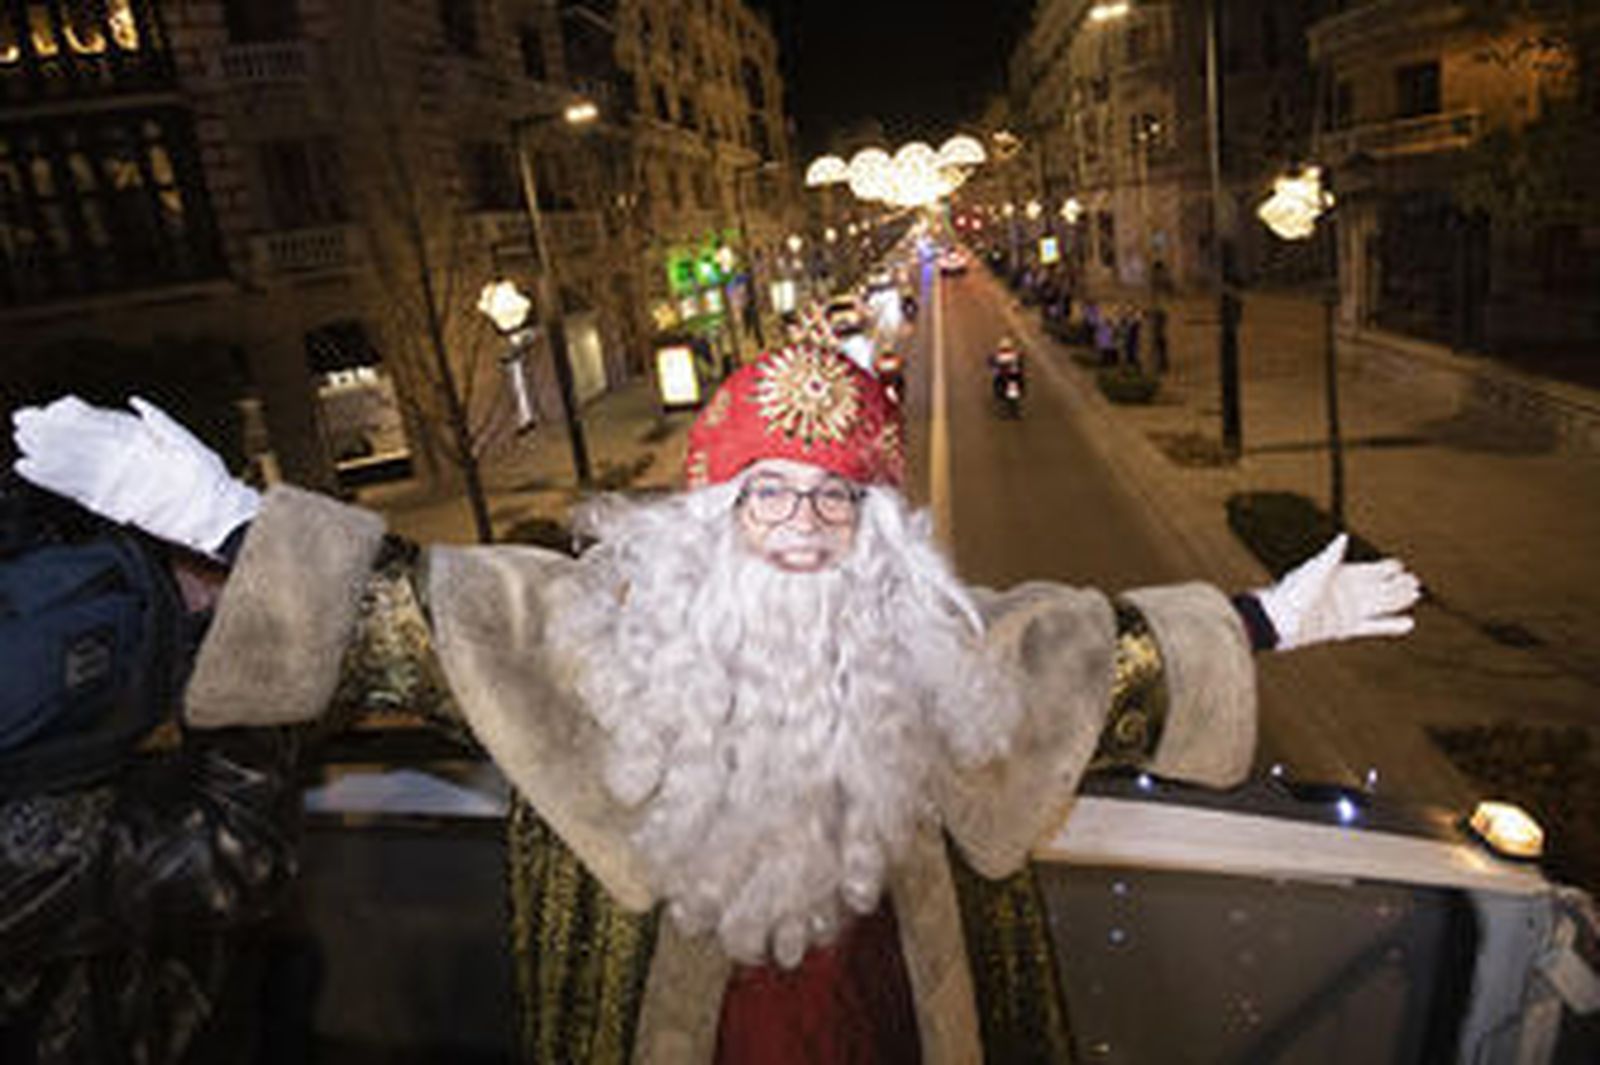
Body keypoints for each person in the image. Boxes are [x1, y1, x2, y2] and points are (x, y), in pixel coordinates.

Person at [10, 346, 1421, 1063]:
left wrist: (1269, 617)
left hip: (891, 1018)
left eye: (832, 498)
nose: (802, 526)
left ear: (871, 524)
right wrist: (220, 511)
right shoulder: (579, 627)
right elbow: (399, 613)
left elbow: (1083, 658)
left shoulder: (919, 638)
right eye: (769, 495)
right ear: (710, 511)